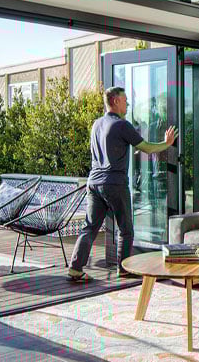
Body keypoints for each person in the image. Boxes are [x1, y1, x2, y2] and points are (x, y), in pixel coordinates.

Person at [68, 86, 177, 281]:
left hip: (94, 183)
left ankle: (75, 268)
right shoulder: (122, 125)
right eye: (125, 100)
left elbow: (109, 150)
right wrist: (166, 144)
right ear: (116, 101)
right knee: (126, 229)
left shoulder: (96, 124)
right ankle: (124, 269)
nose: (128, 103)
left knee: (90, 227)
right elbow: (147, 148)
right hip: (114, 183)